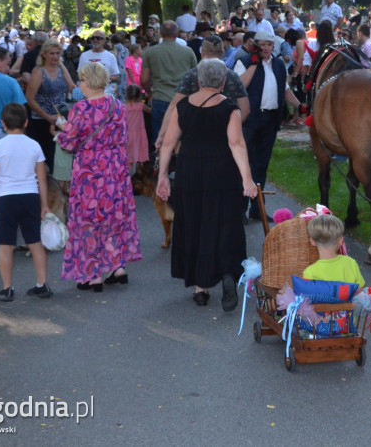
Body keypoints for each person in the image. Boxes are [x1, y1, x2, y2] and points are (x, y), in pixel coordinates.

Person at [156, 59, 257, 309]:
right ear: (223, 82)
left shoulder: (182, 106)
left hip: (189, 170)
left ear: (199, 80)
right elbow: (236, 144)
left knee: (194, 222)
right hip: (222, 171)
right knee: (224, 221)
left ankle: (201, 288)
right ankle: (226, 273)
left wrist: (162, 176)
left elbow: (168, 144)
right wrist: (247, 178)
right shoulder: (230, 109)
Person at [56, 62, 141, 292]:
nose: (79, 85)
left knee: (89, 220)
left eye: (82, 80)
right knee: (114, 216)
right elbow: (123, 135)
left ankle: (92, 274)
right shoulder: (117, 104)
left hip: (90, 170)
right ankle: (117, 266)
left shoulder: (81, 108)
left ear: (90, 82)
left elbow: (69, 142)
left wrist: (61, 130)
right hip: (115, 167)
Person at [0, 103, 52, 302]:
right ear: (26, 122)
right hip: (30, 197)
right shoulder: (34, 145)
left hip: (6, 199)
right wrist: (44, 204)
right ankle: (42, 283)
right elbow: (42, 178)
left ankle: (7, 288)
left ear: (2, 124)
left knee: (6, 244)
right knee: (35, 242)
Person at [234, 26, 301, 222]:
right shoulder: (244, 62)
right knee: (245, 165)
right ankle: (241, 210)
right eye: (261, 45)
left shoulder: (279, 64)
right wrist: (254, 64)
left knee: (261, 165)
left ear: (274, 46)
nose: (266, 48)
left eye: (269, 44)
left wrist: (300, 106)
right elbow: (240, 86)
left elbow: (285, 89)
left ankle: (257, 209)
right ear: (254, 46)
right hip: (249, 120)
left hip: (270, 120)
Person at [156, 35, 249, 150]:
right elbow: (245, 109)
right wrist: (232, 128)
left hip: (194, 138)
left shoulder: (191, 75)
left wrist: (162, 134)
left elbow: (174, 106)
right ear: (222, 53)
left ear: (202, 52)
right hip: (224, 138)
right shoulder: (233, 76)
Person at [141, 21, 197, 144]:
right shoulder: (188, 52)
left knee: (160, 138)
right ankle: (180, 161)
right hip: (182, 99)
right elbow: (196, 78)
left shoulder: (151, 52)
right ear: (177, 34)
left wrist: (150, 93)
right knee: (181, 138)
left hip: (160, 97)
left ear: (160, 33)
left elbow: (144, 79)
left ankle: (159, 161)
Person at [25, 39, 76, 165]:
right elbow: (30, 98)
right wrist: (48, 117)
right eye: (52, 53)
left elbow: (72, 87)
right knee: (46, 157)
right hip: (41, 119)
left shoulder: (61, 67)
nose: (55, 56)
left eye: (58, 53)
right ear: (44, 54)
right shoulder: (39, 71)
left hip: (61, 118)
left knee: (63, 158)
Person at [303, 214, 366, 289]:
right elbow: (360, 288)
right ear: (341, 241)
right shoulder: (351, 263)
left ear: (312, 241)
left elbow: (308, 298)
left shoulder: (309, 272)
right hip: (350, 301)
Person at [124, 85, 150, 173]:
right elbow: (151, 111)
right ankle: (138, 177)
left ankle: (129, 178)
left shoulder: (123, 106)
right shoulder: (141, 105)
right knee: (139, 156)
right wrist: (150, 98)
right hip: (138, 134)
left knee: (128, 158)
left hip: (126, 134)